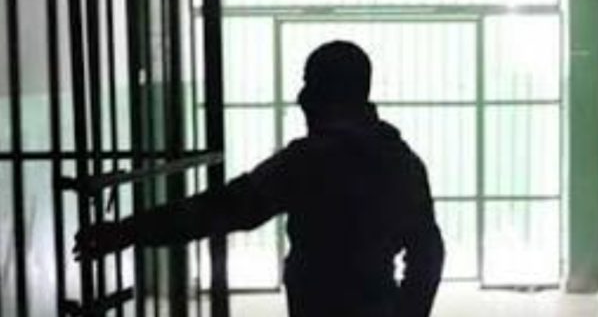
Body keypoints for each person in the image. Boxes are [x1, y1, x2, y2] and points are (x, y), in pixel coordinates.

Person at [74, 40, 445, 317]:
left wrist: (128, 230)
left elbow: (225, 207)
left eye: (309, 84)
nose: (301, 96)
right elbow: (428, 252)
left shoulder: (309, 161)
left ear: (325, 94)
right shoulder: (401, 161)